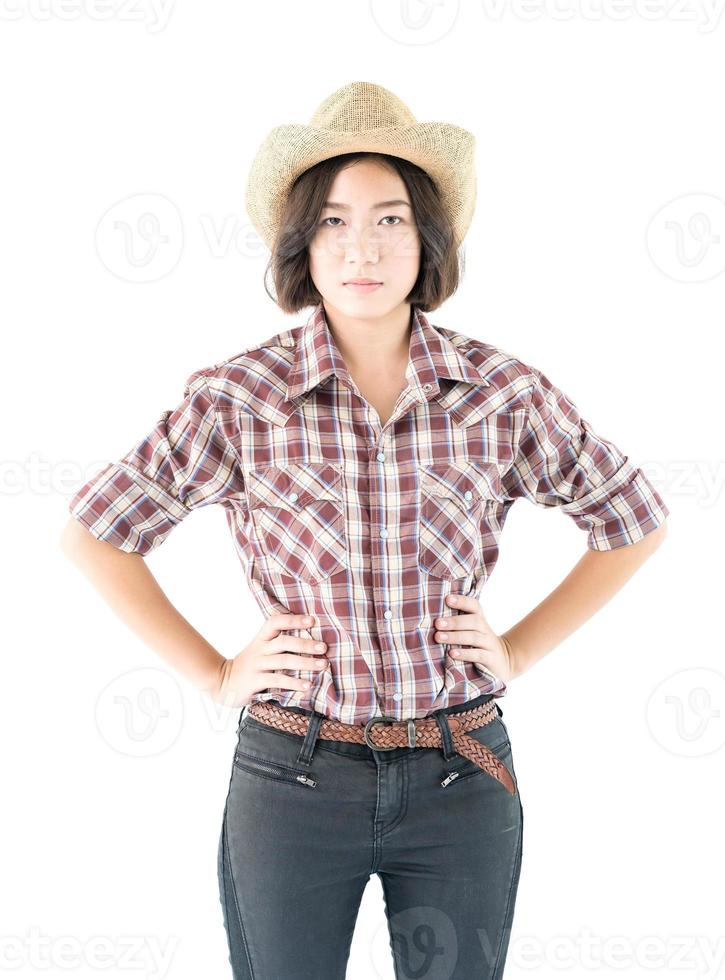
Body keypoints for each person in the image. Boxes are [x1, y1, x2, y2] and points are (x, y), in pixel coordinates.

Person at [60, 81, 669, 980]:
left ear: (427, 240)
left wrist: (517, 651)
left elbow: (632, 519)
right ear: (301, 245)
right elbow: (98, 532)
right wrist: (217, 671)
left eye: (389, 220)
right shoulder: (241, 395)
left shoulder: (500, 391)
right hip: (289, 778)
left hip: (461, 771)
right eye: (335, 221)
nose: (362, 248)